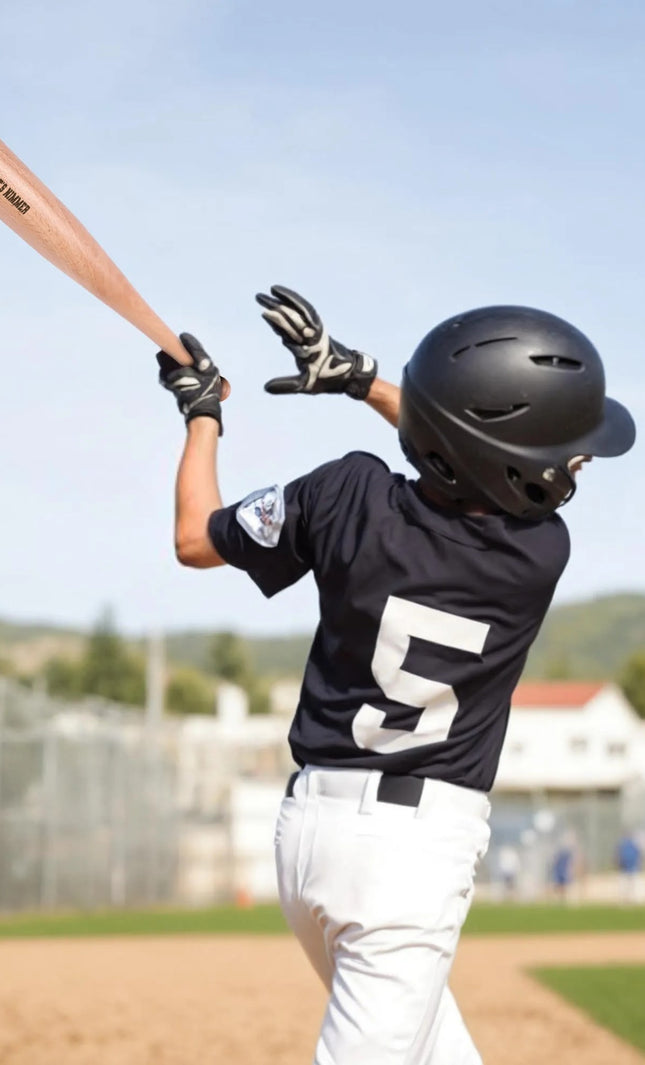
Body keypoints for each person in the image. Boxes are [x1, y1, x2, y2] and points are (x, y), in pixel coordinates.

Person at [157, 288, 635, 1065]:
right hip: (409, 862)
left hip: (308, 837)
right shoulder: (536, 554)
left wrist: (203, 412)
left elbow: (192, 538)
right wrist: (362, 378)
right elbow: (475, 460)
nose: (573, 461)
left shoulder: (343, 493)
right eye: (562, 449)